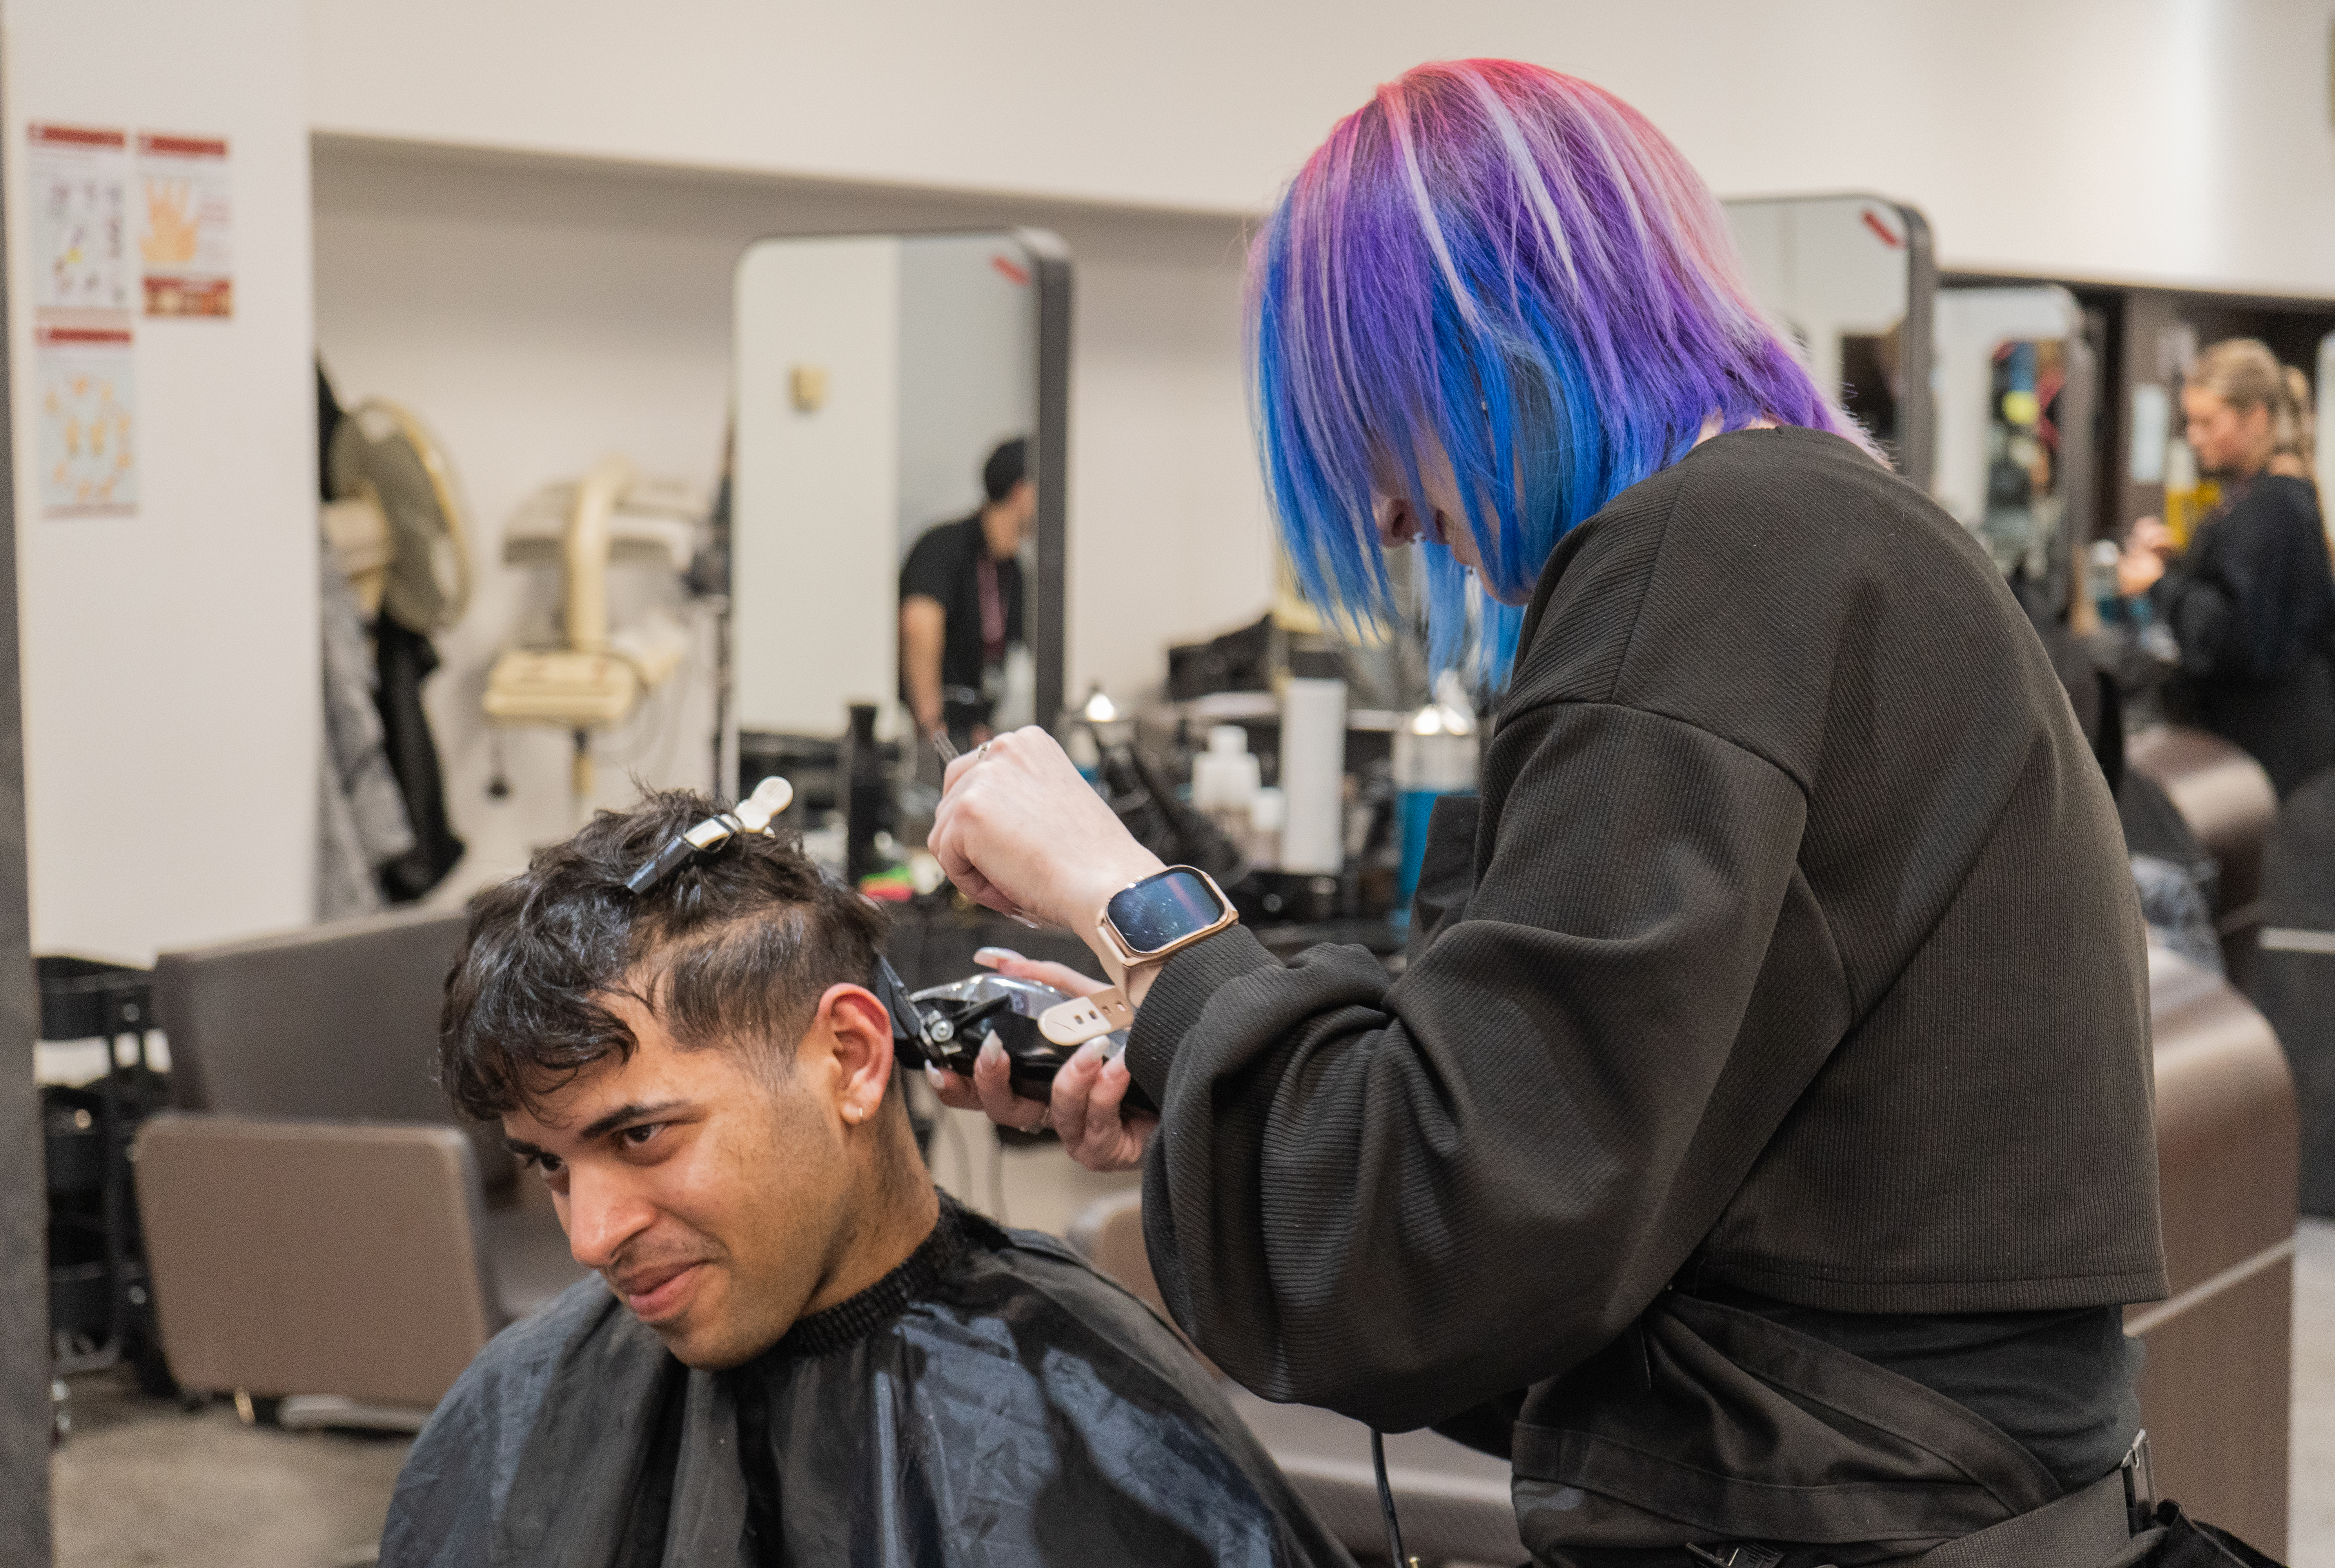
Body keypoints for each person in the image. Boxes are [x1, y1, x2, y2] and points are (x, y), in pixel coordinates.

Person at [926, 60, 2170, 1568]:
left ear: (1494, 347)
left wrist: (1127, 894)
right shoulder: (1824, 540)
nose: (1390, 514)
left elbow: (1447, 1227)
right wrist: (1196, 1065)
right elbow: (1566, 1174)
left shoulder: (1706, 558)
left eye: (1378, 427)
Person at [377, 790, 1349, 1568]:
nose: (591, 1237)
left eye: (640, 1135)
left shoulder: (1098, 1427)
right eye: (549, 1163)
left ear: (849, 1057)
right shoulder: (510, 1413)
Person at [2119, 338, 2335, 797]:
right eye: (2190, 422)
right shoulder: (2256, 496)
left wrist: (2159, 585)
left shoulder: (2276, 506)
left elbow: (2235, 636)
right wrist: (2176, 565)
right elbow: (2237, 589)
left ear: (2254, 418)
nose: (2194, 436)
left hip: (2272, 752)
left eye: (2207, 422)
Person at [900, 437, 1034, 746]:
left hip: (981, 735)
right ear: (1020, 491)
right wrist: (934, 732)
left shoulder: (1014, 570)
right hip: (937, 738)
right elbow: (919, 625)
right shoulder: (943, 547)